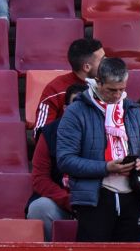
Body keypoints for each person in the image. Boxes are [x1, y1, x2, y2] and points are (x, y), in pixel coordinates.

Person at [55, 55, 140, 242]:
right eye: (111, 90)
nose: (116, 96)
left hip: (132, 194)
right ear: (97, 82)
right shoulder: (76, 111)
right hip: (94, 196)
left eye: (122, 89)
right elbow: (65, 160)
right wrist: (106, 167)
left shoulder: (132, 110)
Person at [26, 36, 104, 233]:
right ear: (87, 66)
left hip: (99, 188)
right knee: (40, 208)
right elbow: (42, 134)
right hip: (61, 176)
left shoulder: (108, 89)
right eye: (102, 59)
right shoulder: (55, 90)